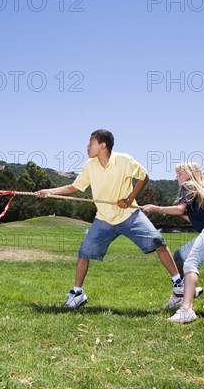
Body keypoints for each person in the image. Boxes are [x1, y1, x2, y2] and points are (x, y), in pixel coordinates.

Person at [35, 129, 189, 309]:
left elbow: (144, 176)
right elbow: (74, 187)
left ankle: (179, 284)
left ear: (103, 145)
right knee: (84, 253)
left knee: (158, 242)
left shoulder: (124, 160)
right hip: (104, 219)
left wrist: (130, 198)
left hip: (129, 215)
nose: (87, 146)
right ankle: (77, 294)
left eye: (90, 142)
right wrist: (49, 192)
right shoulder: (90, 165)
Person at [141, 162, 204, 323]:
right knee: (180, 256)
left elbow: (180, 209)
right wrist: (170, 211)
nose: (177, 177)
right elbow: (189, 216)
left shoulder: (188, 186)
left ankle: (187, 309)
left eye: (180, 173)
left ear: (189, 174)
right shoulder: (198, 188)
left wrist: (157, 208)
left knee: (190, 263)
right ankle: (180, 295)